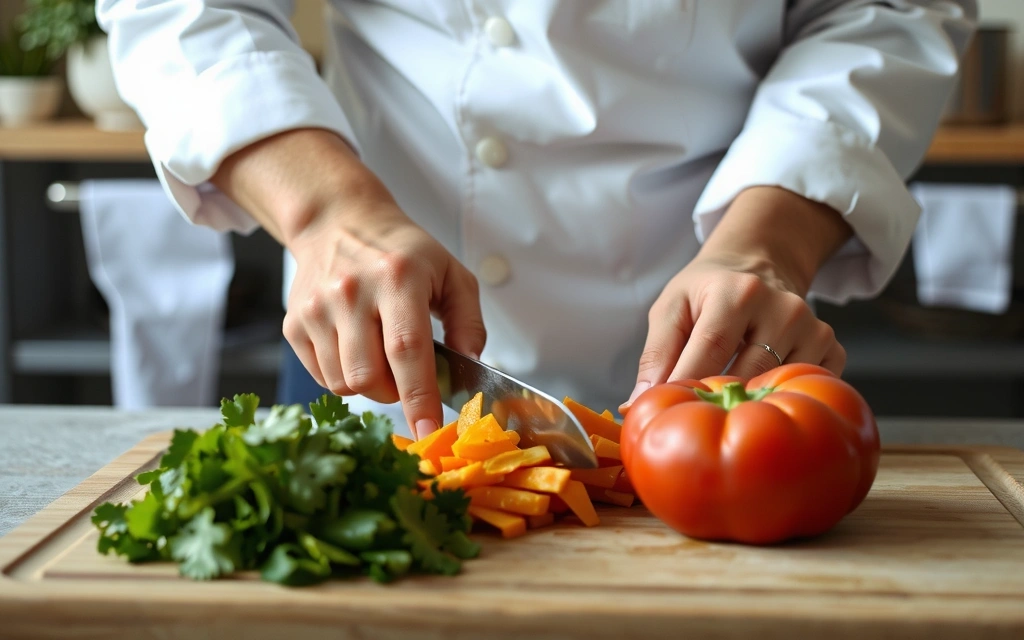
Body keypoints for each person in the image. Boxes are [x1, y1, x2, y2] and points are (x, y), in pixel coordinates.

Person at [97, 0, 976, 439]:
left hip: (720, 359)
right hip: (368, 330)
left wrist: (769, 248)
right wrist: (327, 208)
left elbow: (885, 13)